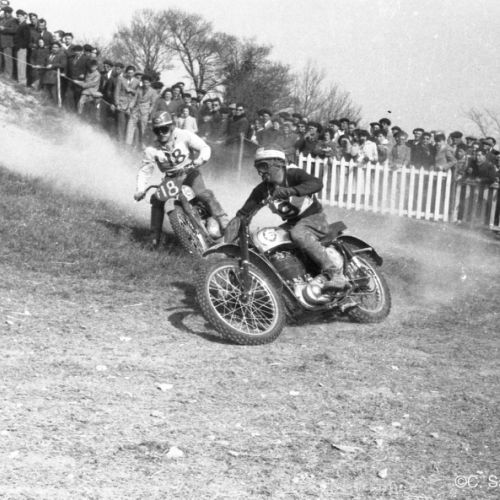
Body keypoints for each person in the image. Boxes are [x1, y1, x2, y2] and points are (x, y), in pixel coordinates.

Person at [227, 147, 347, 290]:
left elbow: (317, 183)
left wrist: (290, 191)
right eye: (258, 168)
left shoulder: (293, 174)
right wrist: (231, 238)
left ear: (278, 163)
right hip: (292, 223)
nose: (260, 172)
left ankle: (335, 274)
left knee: (298, 234)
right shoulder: (262, 190)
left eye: (264, 166)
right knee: (267, 243)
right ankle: (294, 280)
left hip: (314, 217)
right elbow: (244, 213)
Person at [134, 111, 229, 249]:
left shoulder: (184, 135)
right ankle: (154, 238)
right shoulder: (151, 149)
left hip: (189, 171)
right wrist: (140, 189)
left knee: (202, 194)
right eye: (157, 130)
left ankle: (224, 221)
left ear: (171, 127)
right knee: (157, 200)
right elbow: (145, 170)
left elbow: (204, 147)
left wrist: (199, 160)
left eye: (164, 129)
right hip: (171, 178)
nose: (161, 133)